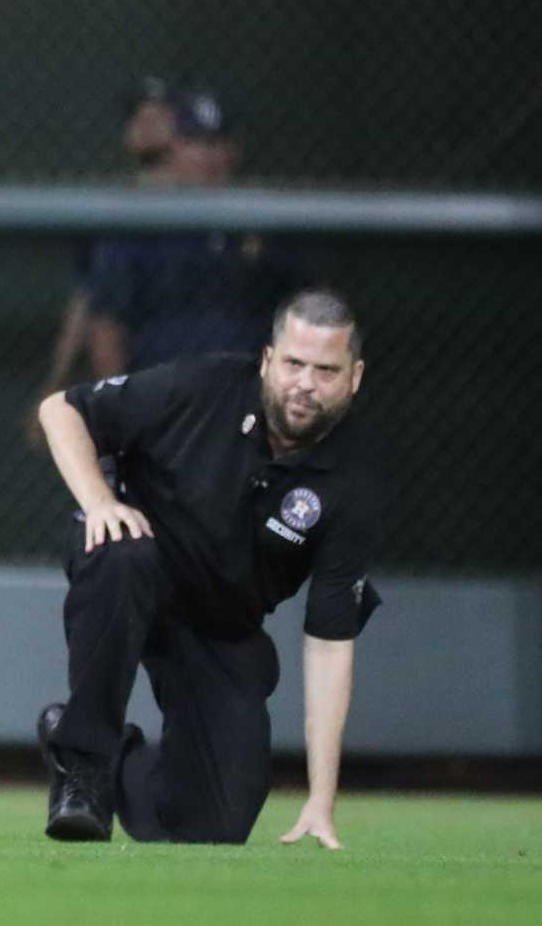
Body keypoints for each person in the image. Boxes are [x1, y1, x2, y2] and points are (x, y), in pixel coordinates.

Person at [33, 286, 383, 847]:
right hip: (136, 562)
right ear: (269, 359)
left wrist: (321, 800)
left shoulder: (353, 482)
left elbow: (329, 642)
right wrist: (101, 502)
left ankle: (98, 750)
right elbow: (61, 409)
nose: (305, 384)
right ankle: (84, 767)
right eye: (293, 363)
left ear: (354, 377)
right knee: (121, 552)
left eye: (325, 371)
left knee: (214, 825)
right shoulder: (201, 385)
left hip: (220, 626)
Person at [83, 89, 300, 379]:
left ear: (235, 151)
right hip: (162, 398)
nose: (208, 156)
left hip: (245, 398)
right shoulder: (139, 224)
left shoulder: (263, 225)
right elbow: (106, 330)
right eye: (194, 142)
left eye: (217, 142)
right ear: (171, 149)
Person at [26, 76, 178, 446]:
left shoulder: (220, 206)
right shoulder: (113, 210)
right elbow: (89, 303)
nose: (145, 124)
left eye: (158, 115)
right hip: (142, 381)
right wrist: (55, 383)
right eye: (138, 116)